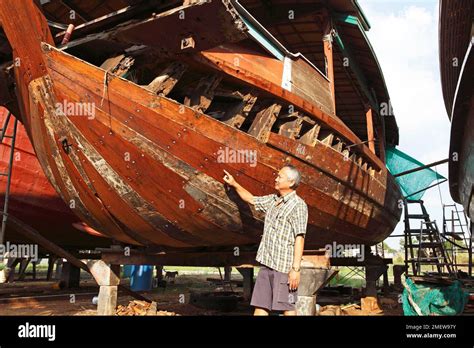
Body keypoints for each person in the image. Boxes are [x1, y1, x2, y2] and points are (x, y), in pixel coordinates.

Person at [223, 164, 308, 316]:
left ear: (291, 182)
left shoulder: (298, 205)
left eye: (279, 176)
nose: (275, 179)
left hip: (283, 267)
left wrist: (295, 270)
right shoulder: (273, 200)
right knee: (260, 306)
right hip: (267, 263)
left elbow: (299, 238)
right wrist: (234, 183)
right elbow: (251, 199)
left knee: (287, 307)